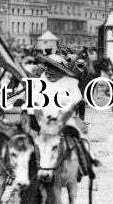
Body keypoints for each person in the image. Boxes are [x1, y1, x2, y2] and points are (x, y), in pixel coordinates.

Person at [36, 54, 97, 182]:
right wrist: (41, 120)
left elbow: (73, 105)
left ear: (61, 70)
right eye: (48, 67)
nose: (49, 71)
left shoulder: (69, 83)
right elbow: (35, 104)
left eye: (54, 68)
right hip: (43, 121)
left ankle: (88, 163)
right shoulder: (40, 81)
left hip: (63, 119)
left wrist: (61, 121)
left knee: (82, 133)